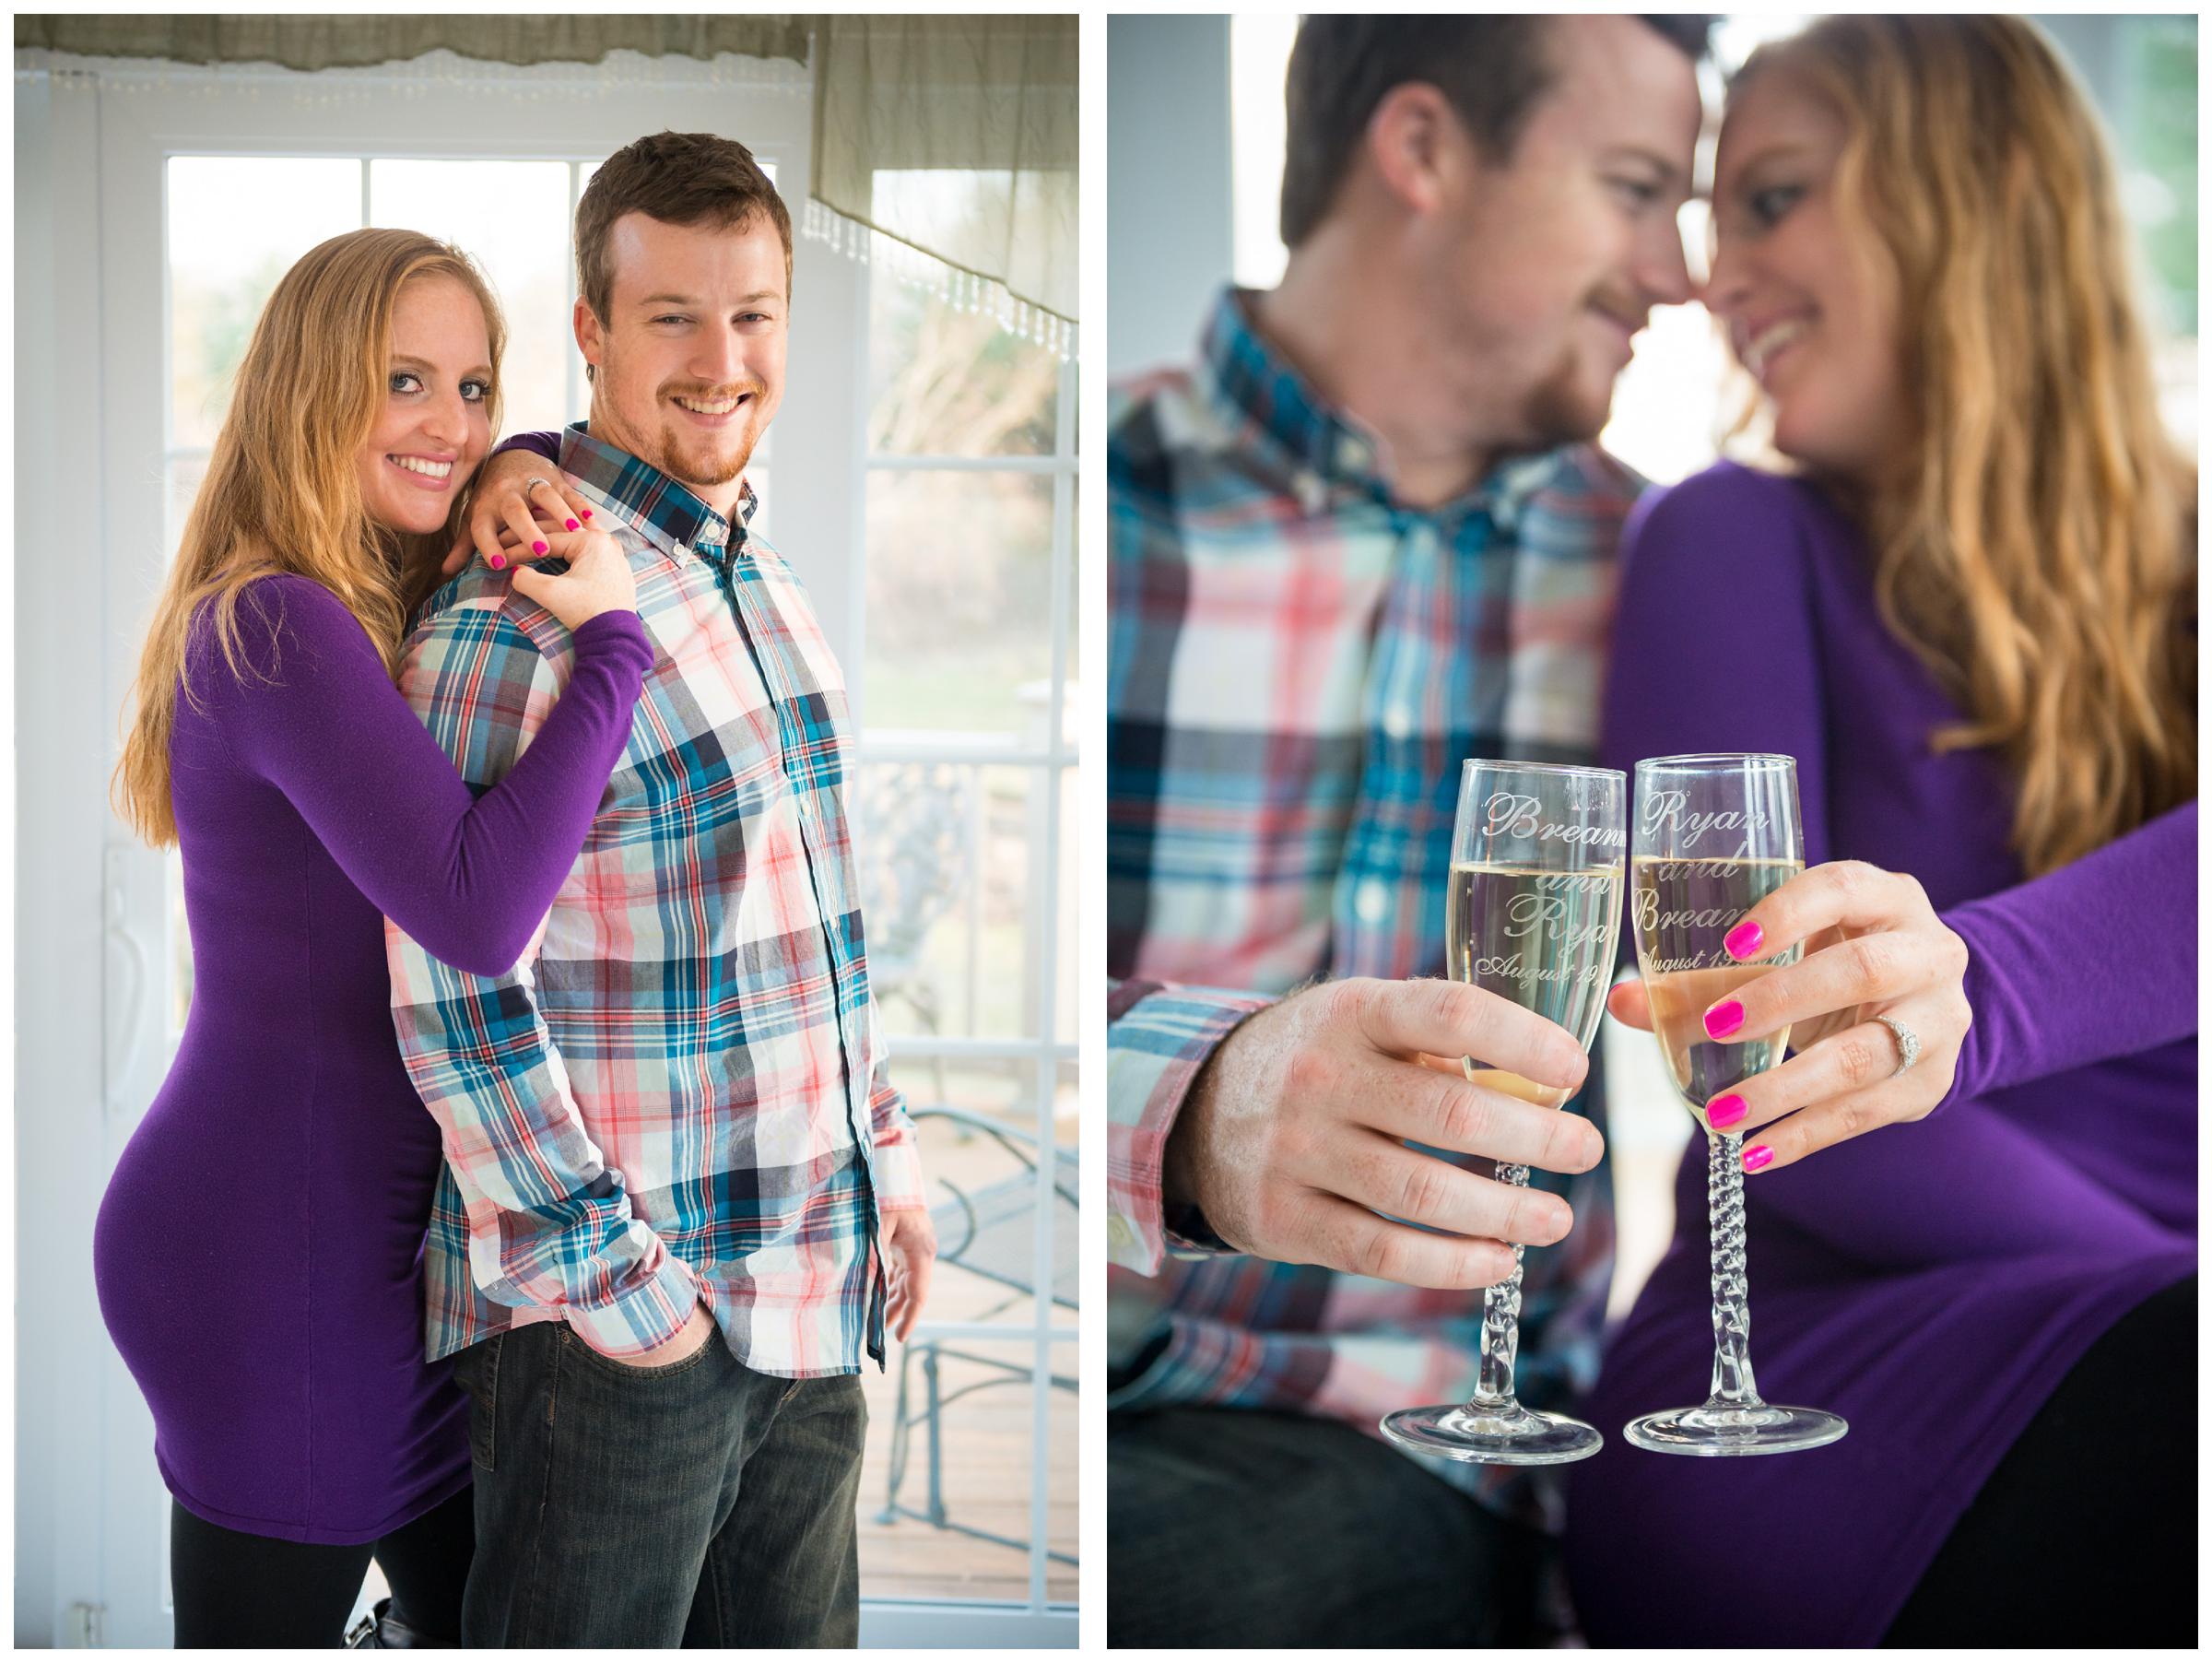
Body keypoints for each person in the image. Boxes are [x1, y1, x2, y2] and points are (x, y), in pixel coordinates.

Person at [1568, 16, 2195, 1647]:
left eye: (1771, 199)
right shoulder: (1728, 538)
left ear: (1973, 197)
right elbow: (1757, 1051)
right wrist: (2168, 1306)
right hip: (1830, 1374)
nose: (1717, 279)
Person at [1102, 16, 1706, 1646]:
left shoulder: (1673, 578)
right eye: (1640, 188)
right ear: (1427, 149)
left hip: (1387, 1450)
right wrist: (1197, 1100)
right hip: (1046, 1371)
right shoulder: (1087, 501)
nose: (1682, 273)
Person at [382, 131, 937, 1648]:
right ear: (591, 333)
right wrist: (626, 1295)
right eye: (673, 316)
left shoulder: (763, 586)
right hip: (624, 1335)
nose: (721, 358)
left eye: (752, 312)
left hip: (819, 1307)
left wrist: (884, 1155)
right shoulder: (518, 621)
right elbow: (453, 990)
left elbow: (812, 919)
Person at [96, 229, 652, 1647]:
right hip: (270, 1264)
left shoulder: (351, 596)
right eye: (403, 378)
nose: (448, 424)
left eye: (474, 387)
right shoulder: (281, 622)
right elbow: (473, 910)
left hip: (365, 1265)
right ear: (308, 387)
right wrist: (616, 649)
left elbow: (473, 469)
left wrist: (519, 459)